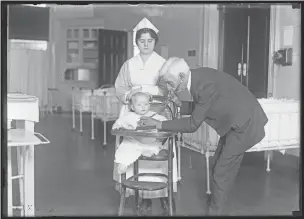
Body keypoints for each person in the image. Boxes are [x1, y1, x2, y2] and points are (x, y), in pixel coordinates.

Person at [138, 57, 269, 216]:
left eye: (170, 84)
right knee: (217, 166)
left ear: (181, 77)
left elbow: (193, 124)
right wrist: (180, 104)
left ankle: (215, 211)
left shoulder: (204, 85)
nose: (169, 88)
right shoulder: (198, 77)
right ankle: (217, 202)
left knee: (221, 171)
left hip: (245, 124)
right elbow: (203, 106)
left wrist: (159, 124)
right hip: (236, 122)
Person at [113, 18, 178, 215]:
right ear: (137, 42)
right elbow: (120, 88)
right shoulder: (129, 64)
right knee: (133, 147)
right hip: (133, 111)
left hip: (157, 111)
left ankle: (164, 197)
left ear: (155, 42)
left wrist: (153, 98)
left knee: (157, 151)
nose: (146, 44)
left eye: (150, 40)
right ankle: (142, 198)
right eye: (142, 40)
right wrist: (132, 98)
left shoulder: (163, 64)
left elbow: (171, 88)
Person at [113, 92, 169, 174]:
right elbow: (119, 122)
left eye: (146, 104)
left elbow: (163, 122)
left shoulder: (154, 116)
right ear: (132, 107)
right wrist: (117, 126)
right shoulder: (129, 116)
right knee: (126, 145)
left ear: (149, 106)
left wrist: (165, 123)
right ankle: (123, 163)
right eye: (139, 105)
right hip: (134, 141)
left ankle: (147, 150)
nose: (143, 107)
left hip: (150, 141)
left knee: (154, 145)